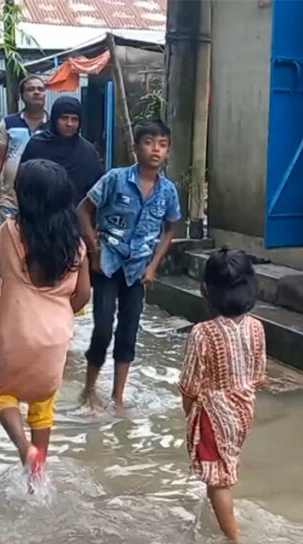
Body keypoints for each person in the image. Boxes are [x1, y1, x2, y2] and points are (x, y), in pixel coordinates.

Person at [0, 159, 91, 476]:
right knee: (43, 407)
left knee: (3, 396)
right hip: (55, 337)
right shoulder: (77, 247)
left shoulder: (9, 232)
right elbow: (83, 296)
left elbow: (5, 270)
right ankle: (38, 474)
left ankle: (23, 447)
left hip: (17, 331)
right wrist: (59, 310)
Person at [76, 120, 181, 410]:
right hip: (107, 265)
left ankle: (118, 397)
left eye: (162, 144)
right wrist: (94, 251)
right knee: (102, 329)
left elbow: (170, 229)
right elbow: (83, 211)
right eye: (149, 142)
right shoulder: (115, 179)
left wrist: (153, 266)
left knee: (129, 332)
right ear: (136, 147)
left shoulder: (168, 191)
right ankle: (89, 389)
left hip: (138, 271)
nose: (155, 150)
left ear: (168, 151)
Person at [178, 249, 266, 542]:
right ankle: (216, 518)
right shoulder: (257, 327)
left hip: (212, 416)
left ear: (207, 290)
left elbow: (190, 385)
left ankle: (234, 540)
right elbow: (258, 376)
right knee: (224, 468)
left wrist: (189, 413)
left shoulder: (203, 332)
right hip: (244, 411)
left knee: (218, 480)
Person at [0, 76, 49, 222]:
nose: (36, 92)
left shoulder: (54, 125)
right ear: (22, 95)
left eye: (41, 89)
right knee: (8, 236)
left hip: (44, 202)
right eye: (31, 89)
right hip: (11, 201)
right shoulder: (9, 123)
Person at [20, 96, 103, 204]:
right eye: (64, 118)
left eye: (75, 119)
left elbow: (96, 188)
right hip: (40, 210)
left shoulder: (87, 150)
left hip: (77, 212)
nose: (69, 124)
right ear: (55, 119)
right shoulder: (37, 145)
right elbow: (23, 182)